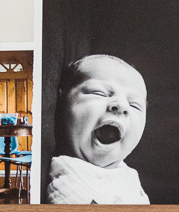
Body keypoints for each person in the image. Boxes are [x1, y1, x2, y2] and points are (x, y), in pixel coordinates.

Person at [44, 53, 150, 204]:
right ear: (62, 103)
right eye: (99, 93)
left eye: (135, 105)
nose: (121, 105)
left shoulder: (129, 177)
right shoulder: (69, 173)